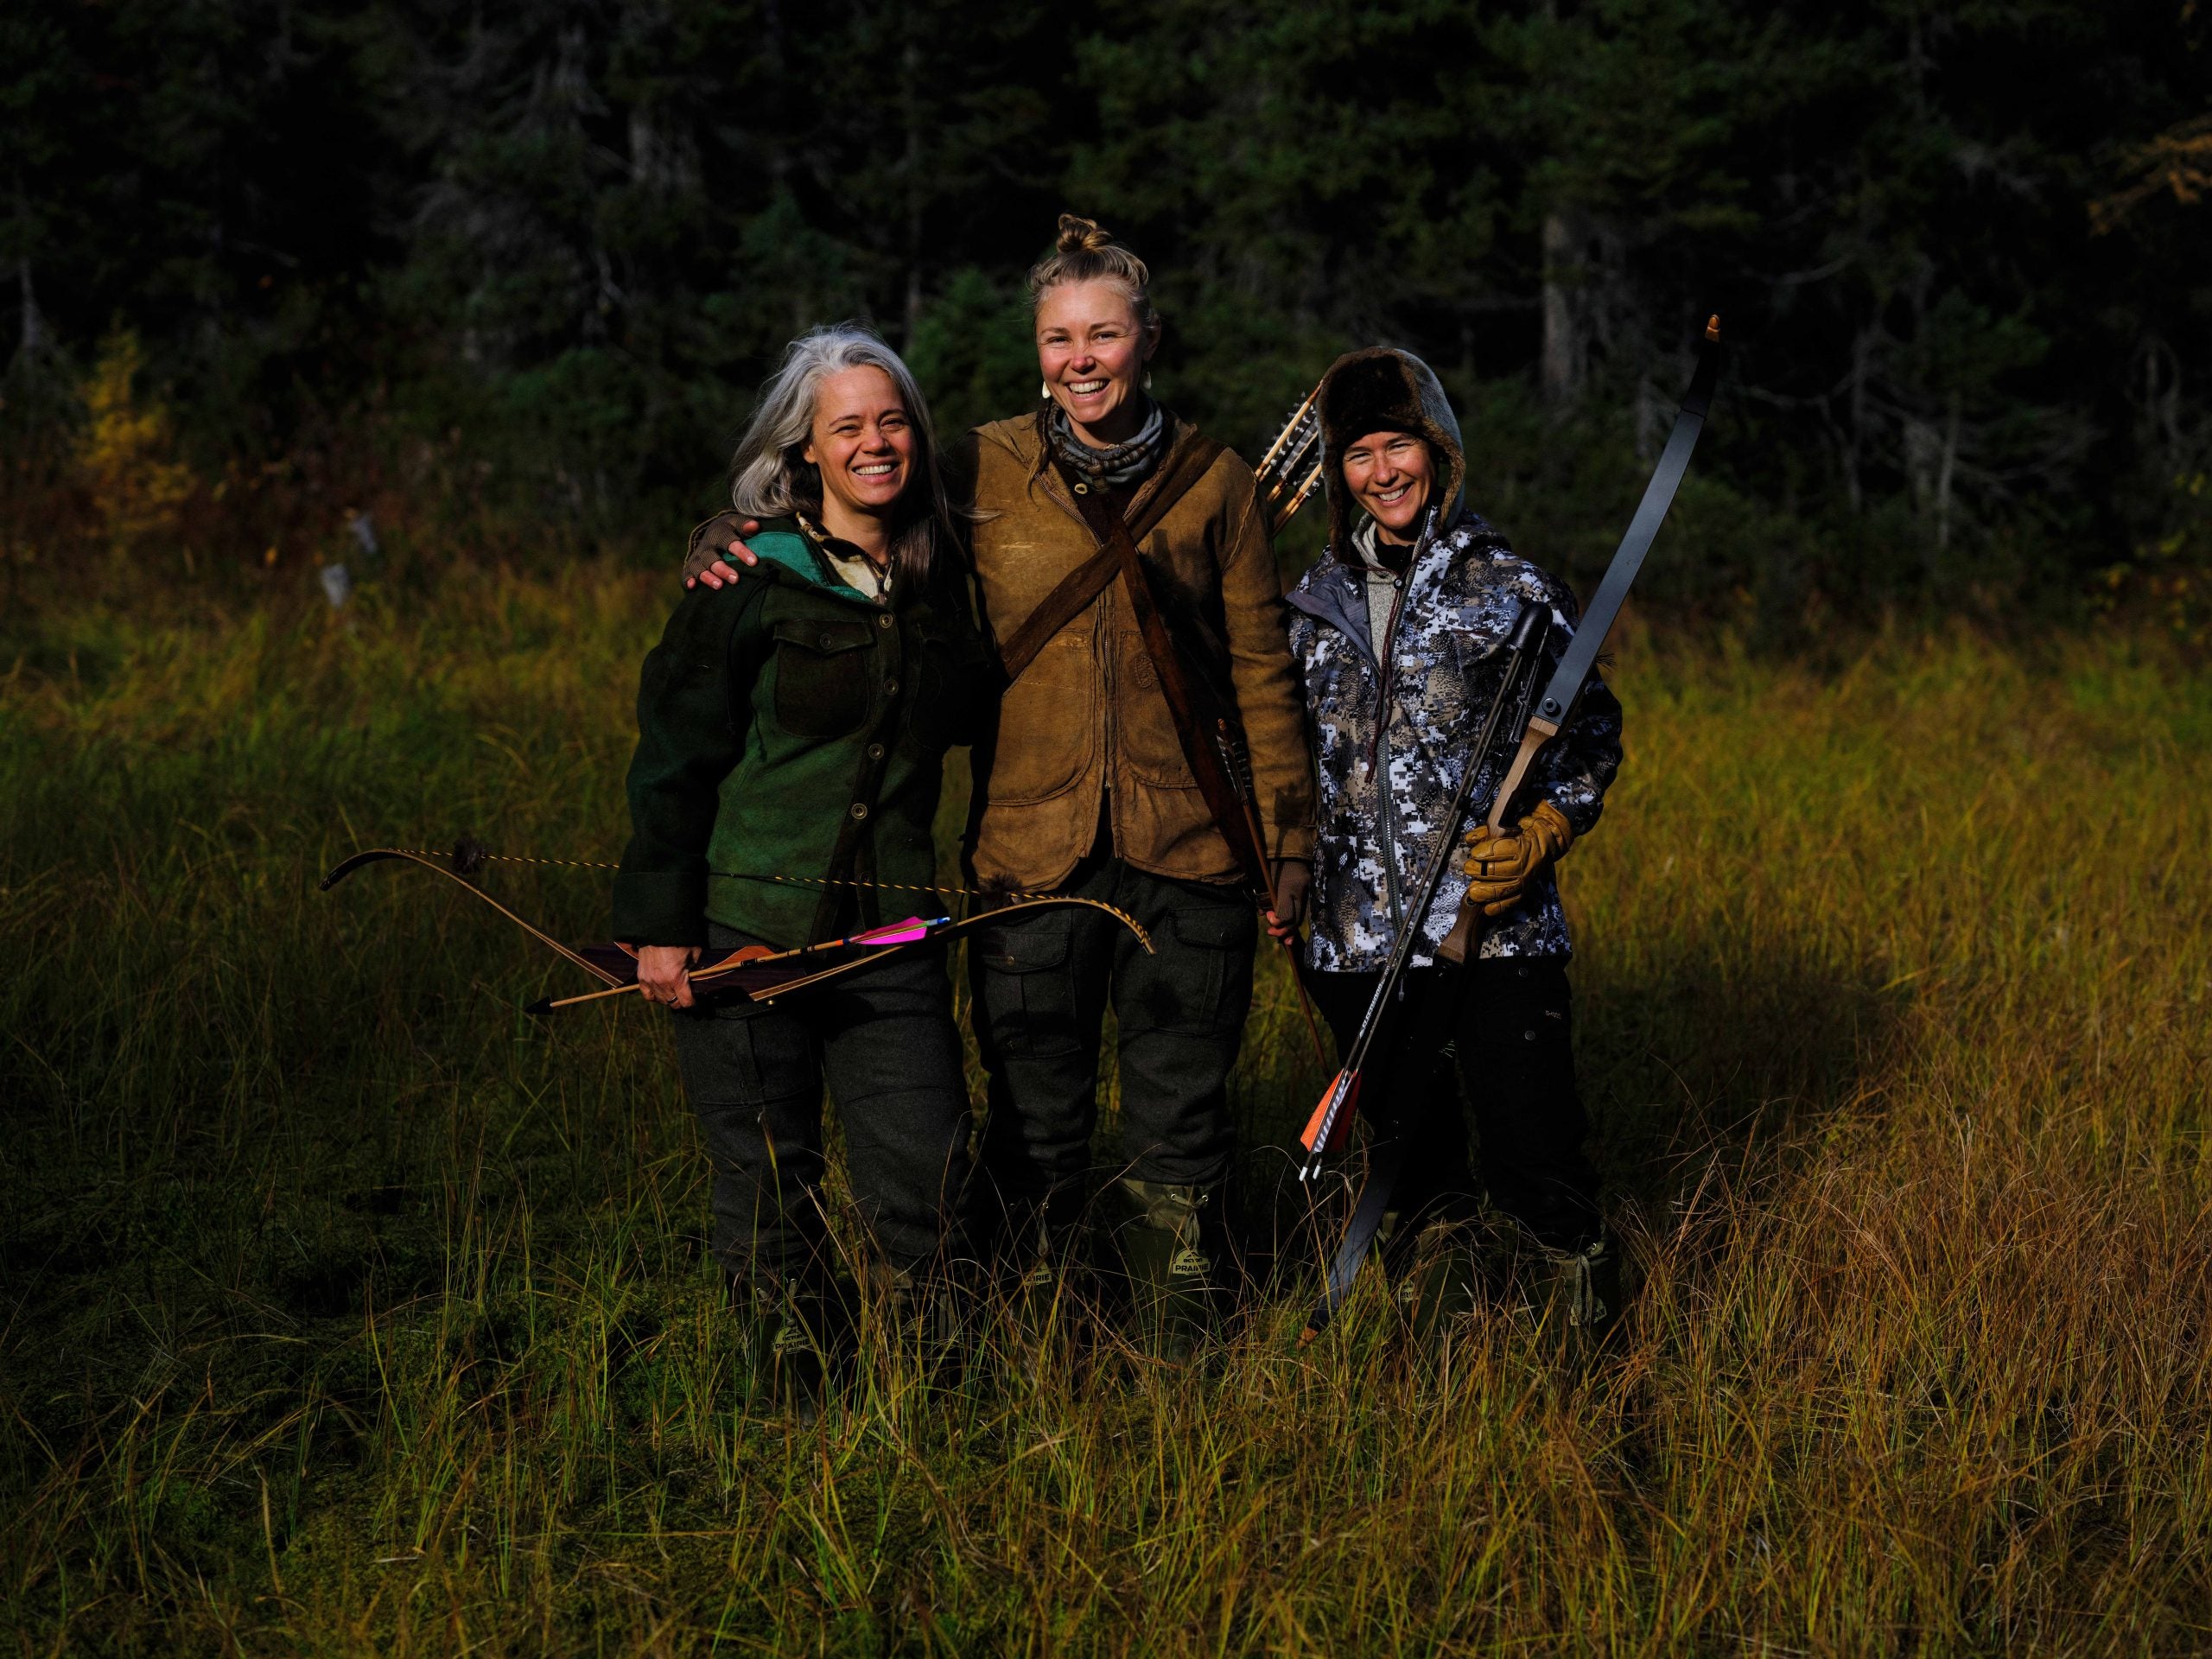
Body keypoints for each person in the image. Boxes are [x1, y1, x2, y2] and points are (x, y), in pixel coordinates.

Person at [688, 218, 1317, 1354]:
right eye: (1058, 337)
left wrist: (1290, 855)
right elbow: (847, 499)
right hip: (1030, 858)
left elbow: (1266, 681)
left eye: (1106, 335)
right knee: (1035, 1126)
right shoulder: (978, 466)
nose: (1082, 358)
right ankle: (1035, 1343)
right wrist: (731, 532)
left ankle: (1175, 1354)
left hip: (1195, 864)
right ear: (1037, 350)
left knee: (1182, 1124)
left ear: (1148, 340)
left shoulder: (1217, 485)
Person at [619, 325, 993, 1408]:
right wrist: (661, 920)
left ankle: (944, 1404)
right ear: (805, 453)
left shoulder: (945, 580)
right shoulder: (746, 576)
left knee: (926, 1176)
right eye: (848, 427)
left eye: (892, 422)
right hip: (742, 930)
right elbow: (675, 758)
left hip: (890, 943)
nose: (875, 442)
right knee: (767, 1185)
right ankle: (792, 1409)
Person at [1283, 346, 1624, 1350]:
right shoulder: (1305, 606)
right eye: (1358, 454)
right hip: (1356, 945)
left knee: (1537, 1158)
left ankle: (1590, 1358)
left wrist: (1548, 832)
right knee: (1414, 1172)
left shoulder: (1512, 586)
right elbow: (1273, 754)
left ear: (1439, 451)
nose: (1382, 472)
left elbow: (1592, 732)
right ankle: (1444, 1361)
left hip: (1495, 934)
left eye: (1401, 445)